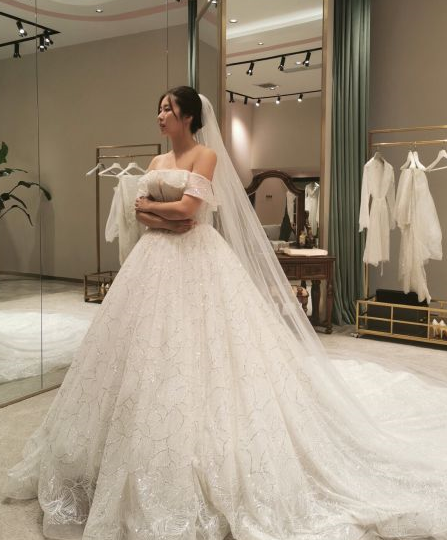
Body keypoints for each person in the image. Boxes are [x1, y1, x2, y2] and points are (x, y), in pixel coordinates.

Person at [2, 86, 447, 540]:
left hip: (197, 258)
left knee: (210, 345)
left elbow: (191, 212)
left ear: (188, 117)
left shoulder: (206, 156)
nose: (160, 115)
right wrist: (163, 213)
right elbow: (145, 215)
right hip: (152, 260)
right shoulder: (156, 162)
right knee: (144, 349)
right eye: (159, 108)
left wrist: (162, 211)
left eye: (169, 109)